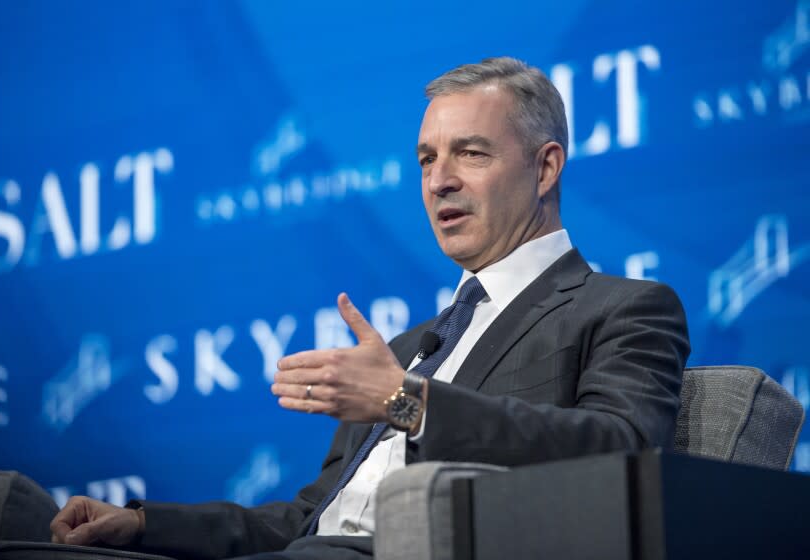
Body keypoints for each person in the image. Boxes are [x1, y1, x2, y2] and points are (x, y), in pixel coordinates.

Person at [49, 57, 690, 559]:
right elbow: (309, 518)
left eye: (470, 153)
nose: (439, 180)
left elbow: (620, 451)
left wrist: (407, 403)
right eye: (427, 159)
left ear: (546, 167)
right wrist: (140, 523)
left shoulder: (623, 308)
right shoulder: (409, 349)